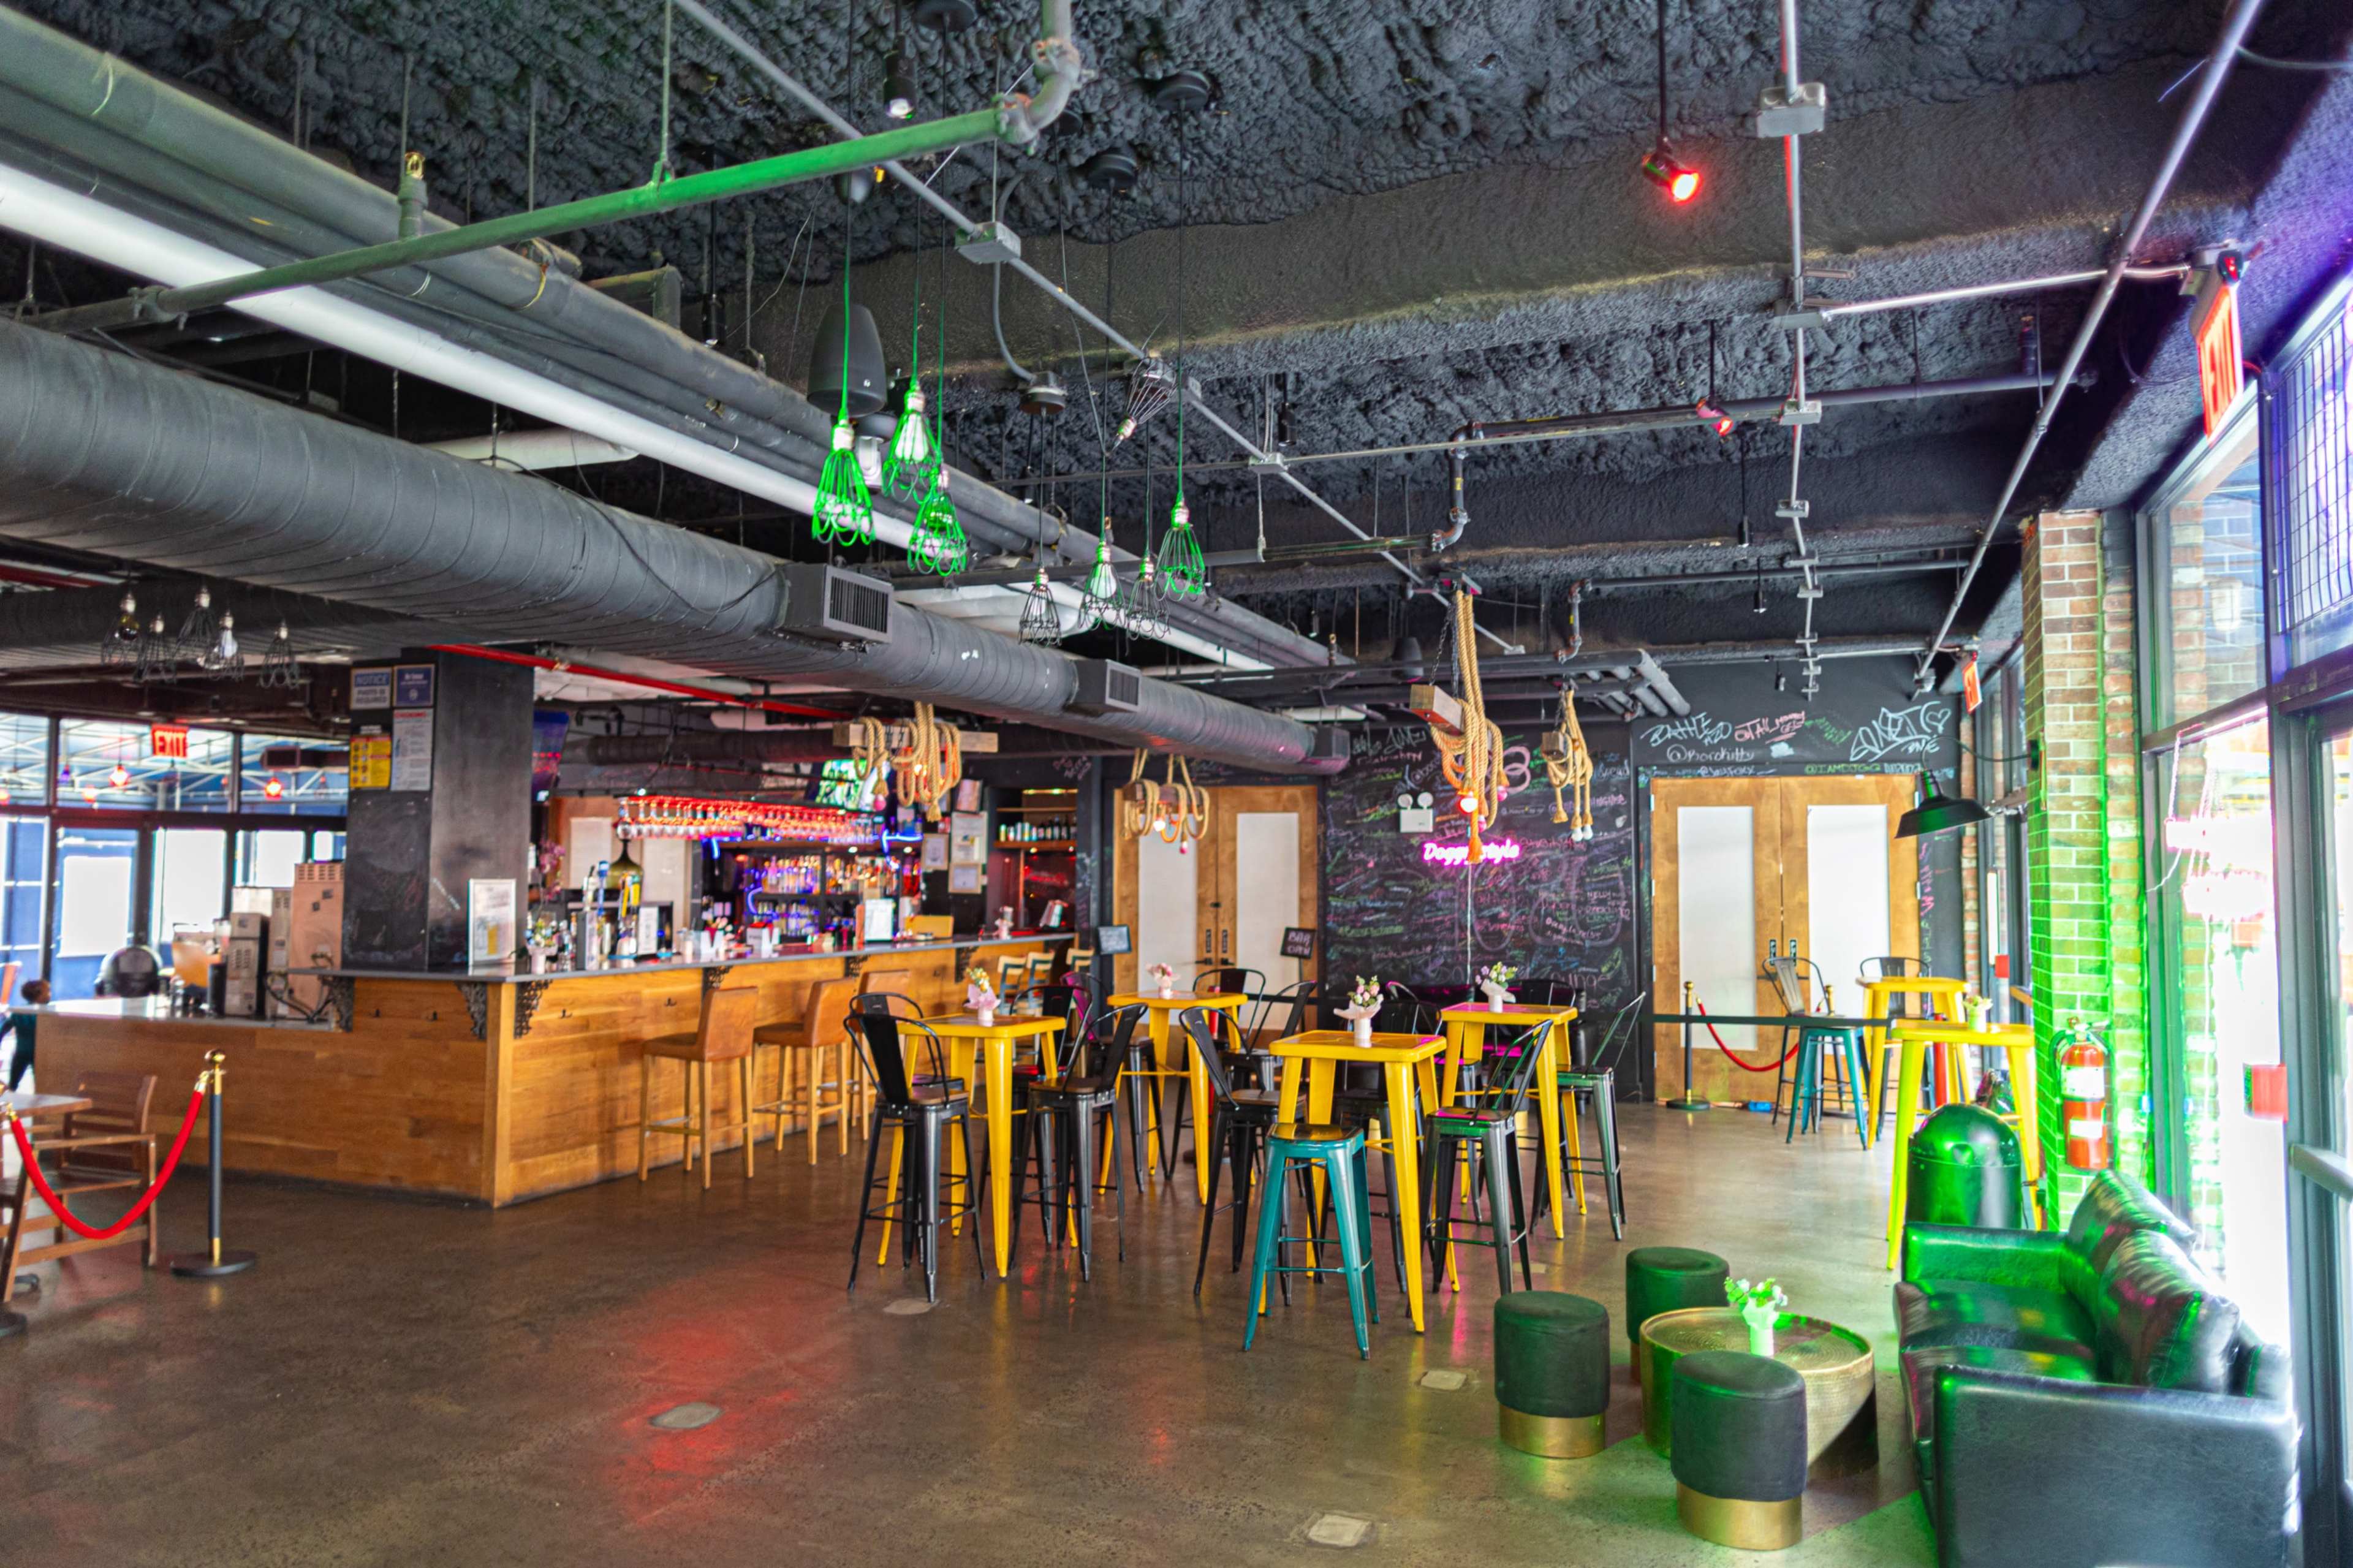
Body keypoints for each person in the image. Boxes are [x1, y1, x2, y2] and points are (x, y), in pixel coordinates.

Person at [4, 978, 50, 1093]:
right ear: (39, 995)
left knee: (13, 1082)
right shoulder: (46, 1014)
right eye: (48, 991)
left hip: (21, 1051)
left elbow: (3, 1029)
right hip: (39, 1053)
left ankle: (9, 1103)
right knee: (40, 1084)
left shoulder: (19, 1012)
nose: (50, 995)